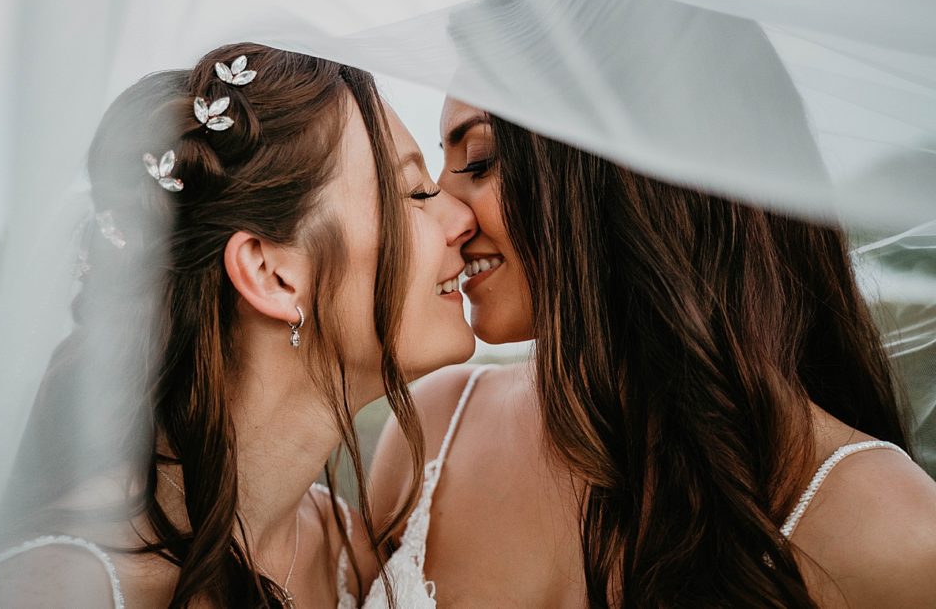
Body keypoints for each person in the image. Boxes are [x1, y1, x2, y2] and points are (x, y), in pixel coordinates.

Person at [0, 42, 478, 608]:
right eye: (414, 193)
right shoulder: (52, 594)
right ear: (271, 274)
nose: (462, 218)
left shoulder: (345, 549)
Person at [369, 89, 936, 607]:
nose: (445, 211)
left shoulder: (892, 532)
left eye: (479, 158)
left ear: (617, 173)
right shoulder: (434, 427)